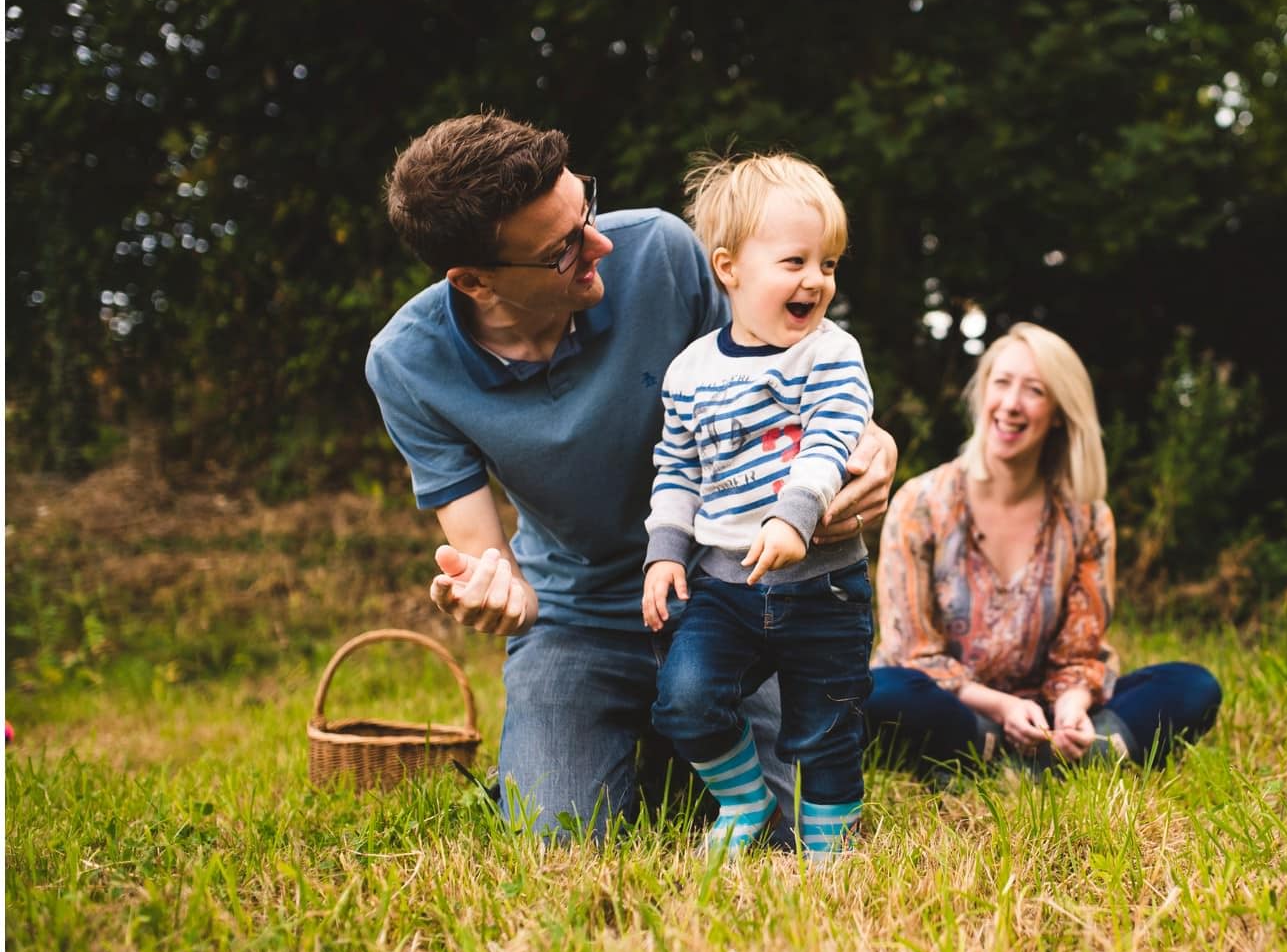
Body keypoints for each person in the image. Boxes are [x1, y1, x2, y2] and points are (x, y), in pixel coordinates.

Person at [365, 113, 895, 840]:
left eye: (584, 207)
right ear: (475, 281)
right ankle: (625, 741)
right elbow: (487, 557)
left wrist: (871, 441)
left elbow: (787, 365)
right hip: (577, 619)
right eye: (562, 250)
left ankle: (681, 740)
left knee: (784, 832)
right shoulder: (407, 363)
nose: (600, 245)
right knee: (556, 835)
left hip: (728, 593)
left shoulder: (661, 254)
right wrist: (496, 594)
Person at [640, 153, 875, 861]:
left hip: (824, 584)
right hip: (726, 584)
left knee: (827, 728)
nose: (816, 280)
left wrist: (793, 515)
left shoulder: (831, 354)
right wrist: (664, 554)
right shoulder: (690, 371)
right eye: (794, 261)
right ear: (729, 269)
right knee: (685, 697)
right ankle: (744, 801)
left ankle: (829, 853)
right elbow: (677, 468)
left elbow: (832, 436)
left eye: (828, 264)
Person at [865, 323, 1221, 774]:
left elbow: (1080, 651)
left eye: (1034, 390)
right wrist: (1002, 708)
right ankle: (1002, 747)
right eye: (1002, 383)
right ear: (983, 393)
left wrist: (1072, 707)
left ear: (1058, 412)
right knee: (877, 691)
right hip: (952, 705)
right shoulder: (921, 502)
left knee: (1192, 686)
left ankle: (1056, 750)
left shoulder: (1086, 517)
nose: (1011, 403)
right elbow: (912, 653)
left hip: (1045, 712)